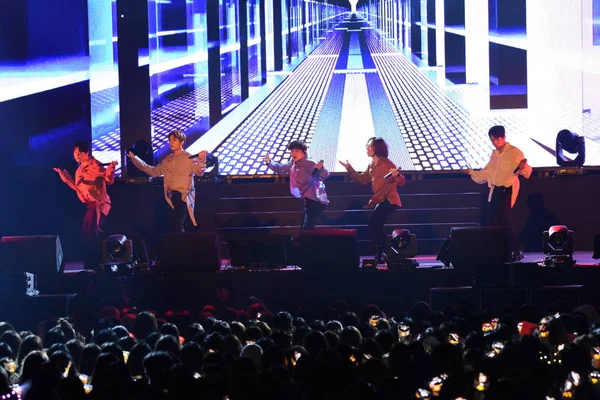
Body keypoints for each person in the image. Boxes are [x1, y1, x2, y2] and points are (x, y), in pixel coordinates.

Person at [465, 125, 532, 261]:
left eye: (496, 139)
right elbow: (487, 171)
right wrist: (472, 172)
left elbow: (526, 171)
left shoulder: (514, 152)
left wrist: (522, 167)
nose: (494, 143)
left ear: (504, 138)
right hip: (495, 191)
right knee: (494, 222)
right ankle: (500, 251)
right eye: (492, 140)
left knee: (504, 221)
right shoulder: (494, 155)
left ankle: (515, 250)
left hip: (506, 190)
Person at [339, 137, 406, 264]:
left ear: (377, 148)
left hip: (389, 200)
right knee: (375, 226)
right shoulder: (371, 165)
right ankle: (383, 253)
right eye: (367, 147)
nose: (367, 149)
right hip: (380, 200)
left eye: (370, 147)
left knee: (374, 224)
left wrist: (397, 175)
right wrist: (349, 168)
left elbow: (401, 181)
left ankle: (382, 253)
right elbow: (362, 179)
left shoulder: (387, 164)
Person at [127, 129, 207, 233]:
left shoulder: (189, 157)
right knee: (167, 225)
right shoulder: (167, 160)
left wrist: (201, 159)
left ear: (182, 142)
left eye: (174, 140)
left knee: (177, 224)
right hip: (170, 197)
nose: (171, 142)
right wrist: (136, 159)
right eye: (170, 140)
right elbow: (153, 171)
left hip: (183, 197)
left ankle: (183, 247)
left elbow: (199, 172)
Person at [53, 141, 118, 269]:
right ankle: (94, 261)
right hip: (90, 205)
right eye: (75, 153)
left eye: (80, 153)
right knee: (86, 232)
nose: (77, 155)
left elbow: (109, 180)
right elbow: (78, 189)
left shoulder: (96, 165)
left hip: (99, 204)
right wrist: (65, 177)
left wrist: (110, 170)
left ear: (87, 153)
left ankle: (98, 262)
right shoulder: (79, 170)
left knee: (91, 232)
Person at [263, 140, 330, 230]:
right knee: (304, 227)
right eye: (292, 151)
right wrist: (269, 162)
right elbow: (281, 168)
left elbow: (323, 176)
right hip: (304, 200)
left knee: (307, 227)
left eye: (297, 151)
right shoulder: (293, 163)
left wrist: (322, 168)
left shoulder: (309, 163)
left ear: (304, 152)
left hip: (315, 200)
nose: (293, 153)